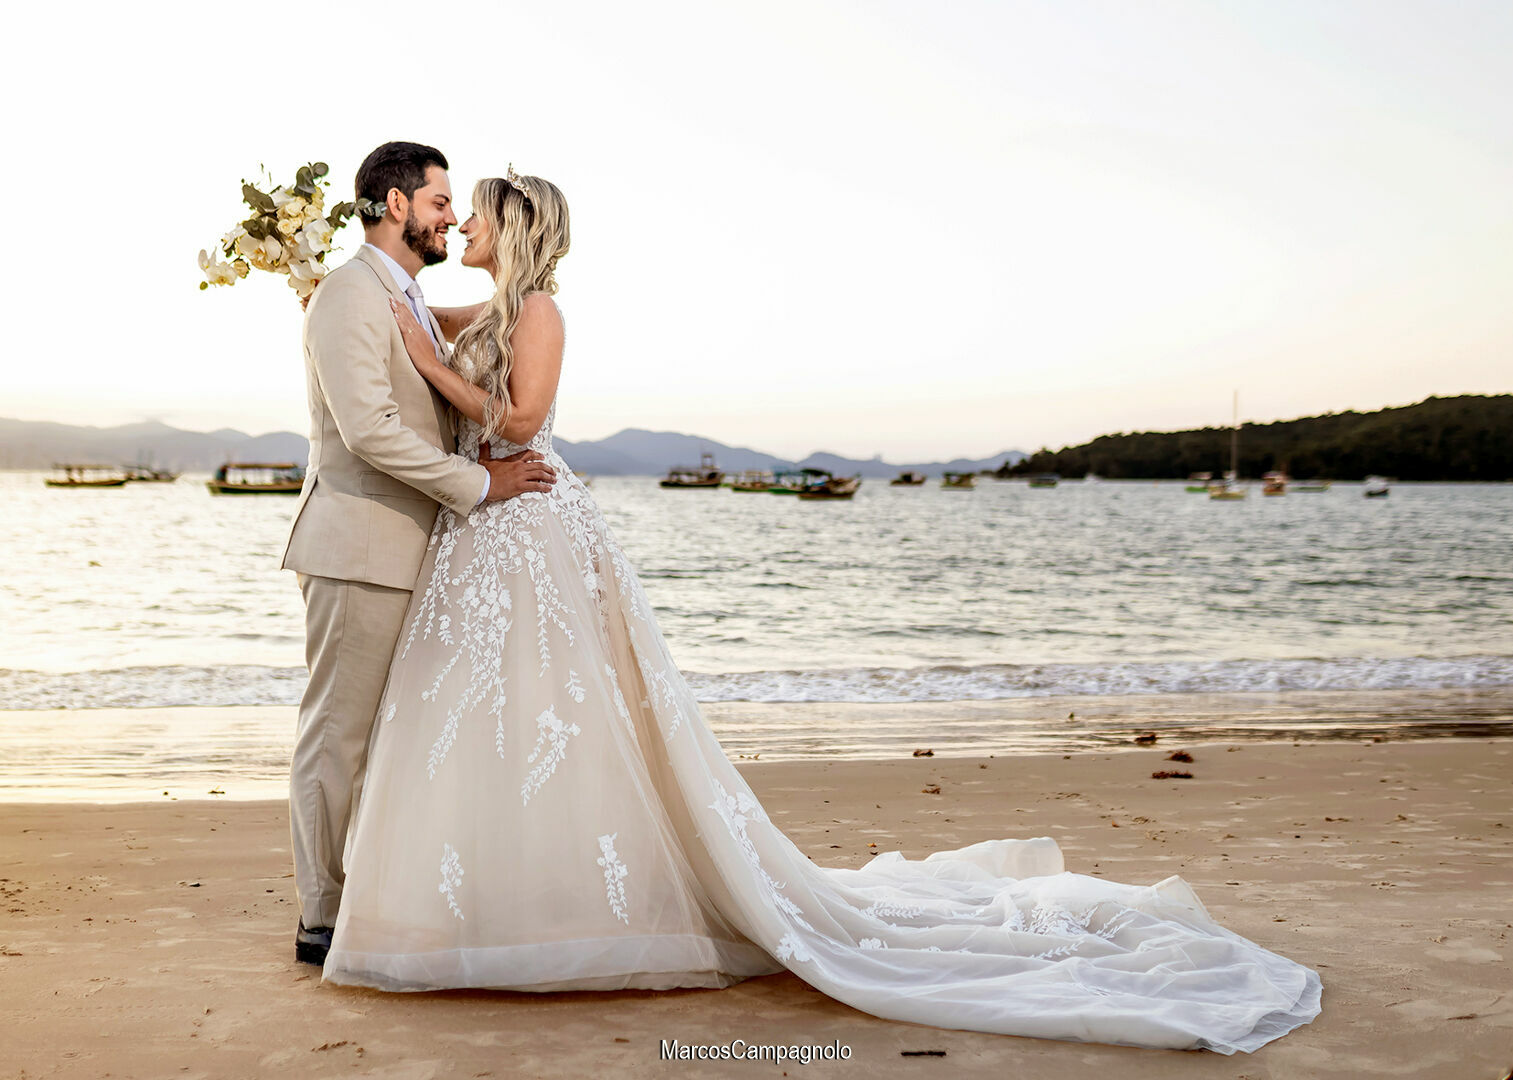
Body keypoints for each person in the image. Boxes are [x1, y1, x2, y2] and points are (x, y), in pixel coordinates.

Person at [320, 168, 1322, 1054]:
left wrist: (427, 358)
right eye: (454, 209)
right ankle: (493, 897)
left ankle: (562, 906)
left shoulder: (539, 310)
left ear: (514, 225)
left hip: (529, 514)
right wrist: (355, 298)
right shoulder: (489, 307)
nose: (464, 224)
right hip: (483, 528)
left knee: (561, 711)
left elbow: (523, 417)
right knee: (489, 710)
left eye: (476, 212)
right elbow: (408, 322)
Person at [281, 142, 557, 966]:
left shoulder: (408, 299)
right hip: (361, 547)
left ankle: (376, 896)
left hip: (426, 555)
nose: (452, 219)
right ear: (397, 204)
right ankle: (323, 915)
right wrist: (478, 482)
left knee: (398, 739)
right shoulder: (348, 292)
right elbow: (367, 431)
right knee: (339, 736)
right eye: (440, 202)